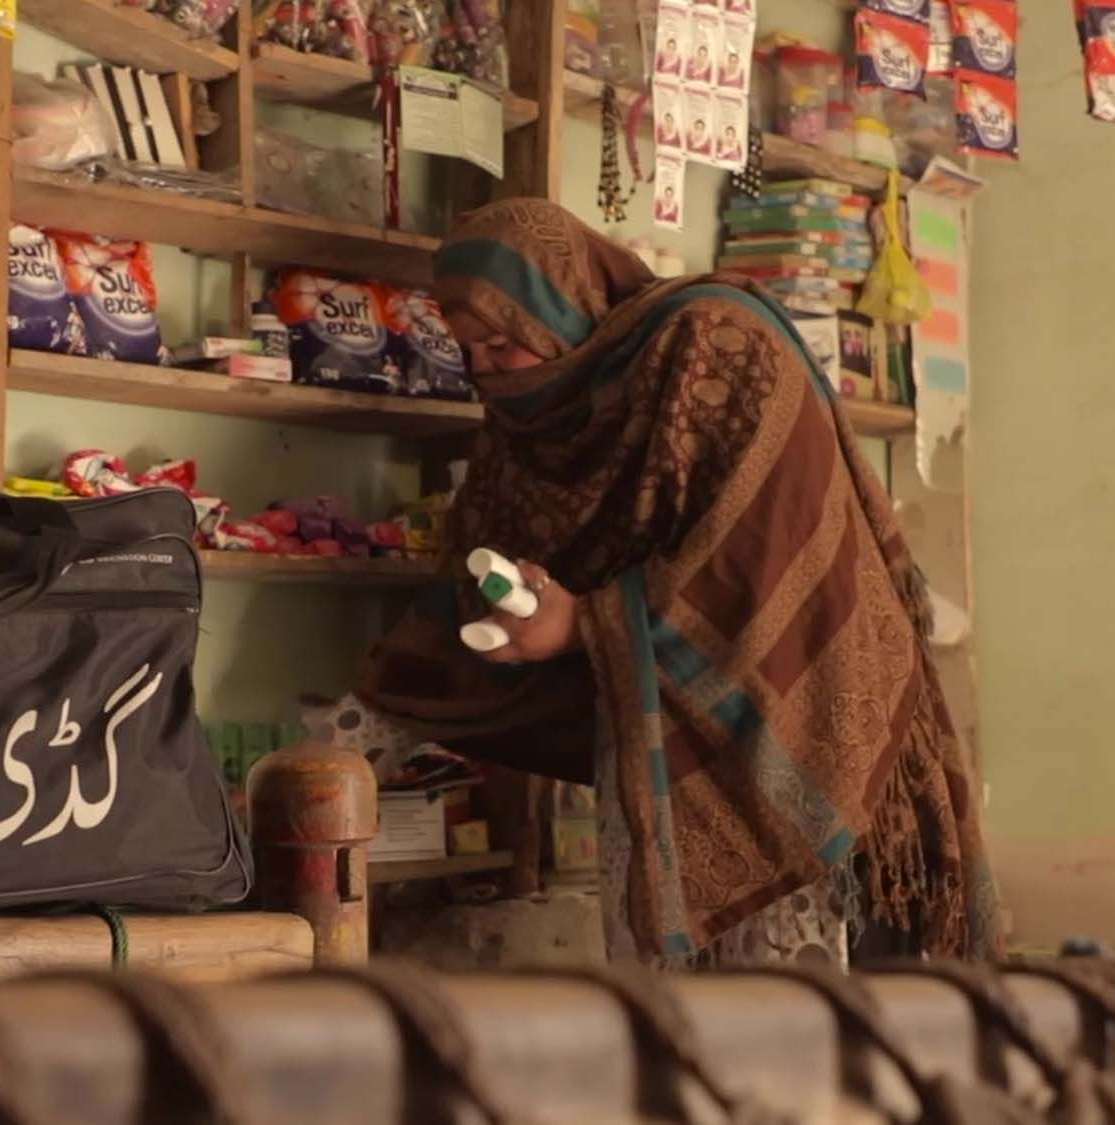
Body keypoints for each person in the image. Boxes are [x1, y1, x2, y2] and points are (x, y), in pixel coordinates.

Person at [343, 200, 1001, 968]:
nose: (488, 370)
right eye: (469, 351)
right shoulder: (540, 422)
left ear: (565, 305)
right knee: (673, 1034)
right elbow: (485, 560)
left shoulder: (712, 343)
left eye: (501, 343)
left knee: (791, 1024)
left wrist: (585, 622)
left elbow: (756, 559)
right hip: (659, 725)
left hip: (800, 696)